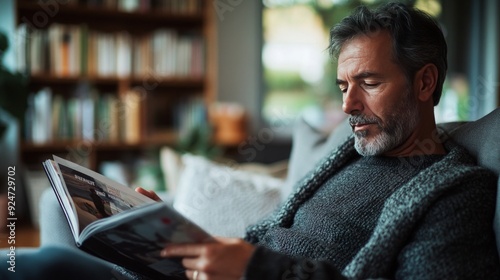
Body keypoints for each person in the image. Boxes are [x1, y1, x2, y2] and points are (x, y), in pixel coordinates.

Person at [1, 2, 499, 280]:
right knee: (43, 260)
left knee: (38, 269)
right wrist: (171, 231)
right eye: (344, 87)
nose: (347, 107)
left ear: (425, 83)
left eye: (369, 83)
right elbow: (261, 242)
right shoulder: (349, 155)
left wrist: (256, 268)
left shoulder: (457, 192)